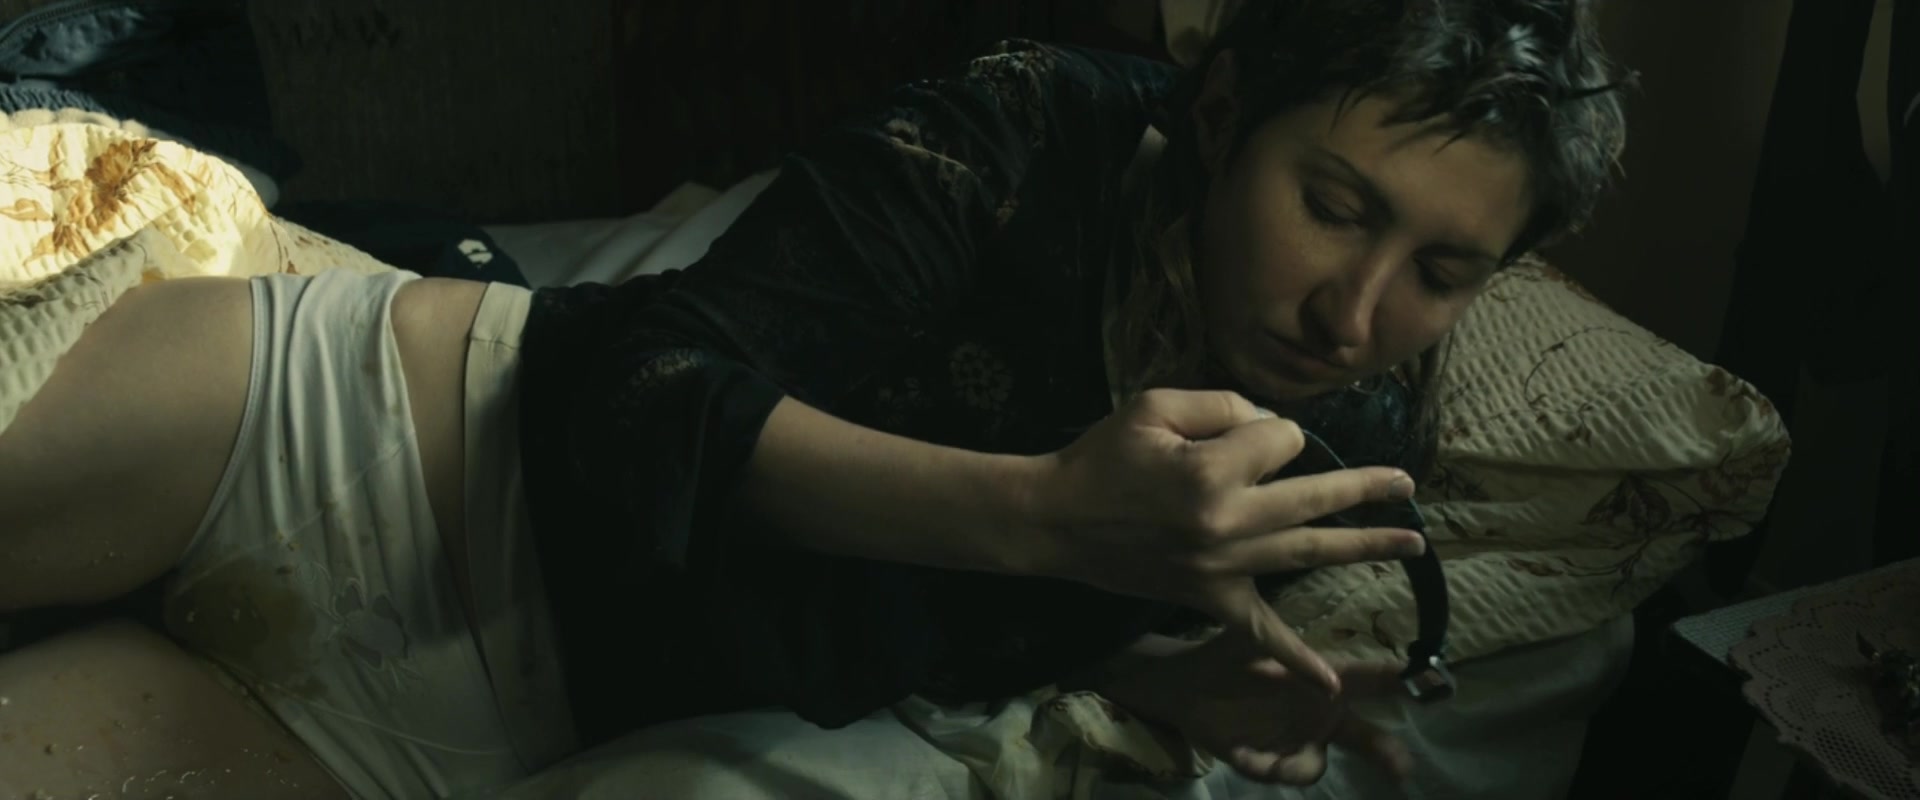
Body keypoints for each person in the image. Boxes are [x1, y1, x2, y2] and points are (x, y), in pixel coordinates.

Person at [0, 0, 1629, 797]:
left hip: (458, 728)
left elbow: (948, 636)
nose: (1357, 311)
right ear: (1221, 117)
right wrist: (1050, 516)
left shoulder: (1349, 443)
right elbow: (645, 389)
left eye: (1444, 269)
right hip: (380, 441)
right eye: (1333, 208)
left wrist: (1160, 679)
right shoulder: (1033, 128)